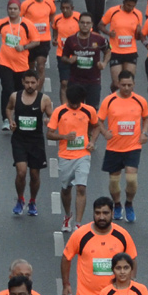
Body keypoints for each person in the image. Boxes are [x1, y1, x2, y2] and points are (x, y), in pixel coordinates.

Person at [98, 71, 148, 223]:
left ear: (134, 84)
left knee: (131, 179)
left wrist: (145, 132)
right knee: (114, 182)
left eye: (129, 85)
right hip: (114, 147)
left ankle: (129, 203)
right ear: (117, 84)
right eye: (123, 85)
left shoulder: (140, 101)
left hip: (133, 147)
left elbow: (146, 118)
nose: (126, 88)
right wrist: (104, 132)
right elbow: (98, 120)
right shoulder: (109, 100)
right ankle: (117, 204)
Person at [47, 85, 101, 232]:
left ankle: (78, 223)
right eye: (72, 103)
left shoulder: (88, 110)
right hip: (65, 156)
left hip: (83, 155)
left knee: (81, 187)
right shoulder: (59, 111)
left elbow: (96, 126)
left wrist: (92, 141)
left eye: (78, 103)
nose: (75, 105)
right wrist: (64, 136)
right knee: (66, 189)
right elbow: (49, 133)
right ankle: (67, 216)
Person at [7, 70, 53, 217]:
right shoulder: (15, 96)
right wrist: (10, 121)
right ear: (22, 82)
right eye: (27, 82)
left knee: (34, 174)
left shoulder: (44, 99)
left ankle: (32, 201)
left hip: (36, 141)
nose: (30, 85)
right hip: (19, 139)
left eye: (33, 82)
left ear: (38, 82)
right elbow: (9, 108)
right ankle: (20, 199)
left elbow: (53, 117)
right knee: (21, 172)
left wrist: (48, 121)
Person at [0, 0, 37, 130]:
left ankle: (19, 117)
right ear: (7, 10)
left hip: (22, 65)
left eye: (15, 9)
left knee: (20, 92)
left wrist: (24, 46)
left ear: (20, 11)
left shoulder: (27, 24)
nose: (12, 11)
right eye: (10, 9)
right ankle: (6, 119)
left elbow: (36, 41)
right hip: (4, 63)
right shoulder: (1, 23)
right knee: (8, 90)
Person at [61, 13, 111, 109]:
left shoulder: (99, 39)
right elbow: (63, 57)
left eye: (88, 23)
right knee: (74, 109)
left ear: (91, 24)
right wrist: (69, 60)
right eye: (82, 22)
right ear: (78, 23)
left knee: (92, 110)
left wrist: (104, 63)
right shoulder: (71, 40)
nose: (85, 25)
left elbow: (108, 51)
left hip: (93, 81)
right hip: (75, 80)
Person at [100, 0, 145, 89]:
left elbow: (137, 37)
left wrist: (138, 33)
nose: (130, 8)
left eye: (133, 6)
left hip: (131, 52)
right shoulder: (113, 11)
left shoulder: (138, 14)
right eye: (128, 5)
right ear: (123, 2)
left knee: (129, 83)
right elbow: (100, 25)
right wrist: (108, 33)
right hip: (115, 51)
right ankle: (113, 95)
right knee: (117, 84)